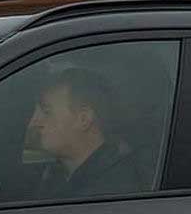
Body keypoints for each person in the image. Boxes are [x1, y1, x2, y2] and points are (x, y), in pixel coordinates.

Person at [26, 67, 149, 199]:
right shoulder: (58, 174)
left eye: (46, 111)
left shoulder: (113, 192)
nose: (33, 122)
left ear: (83, 119)